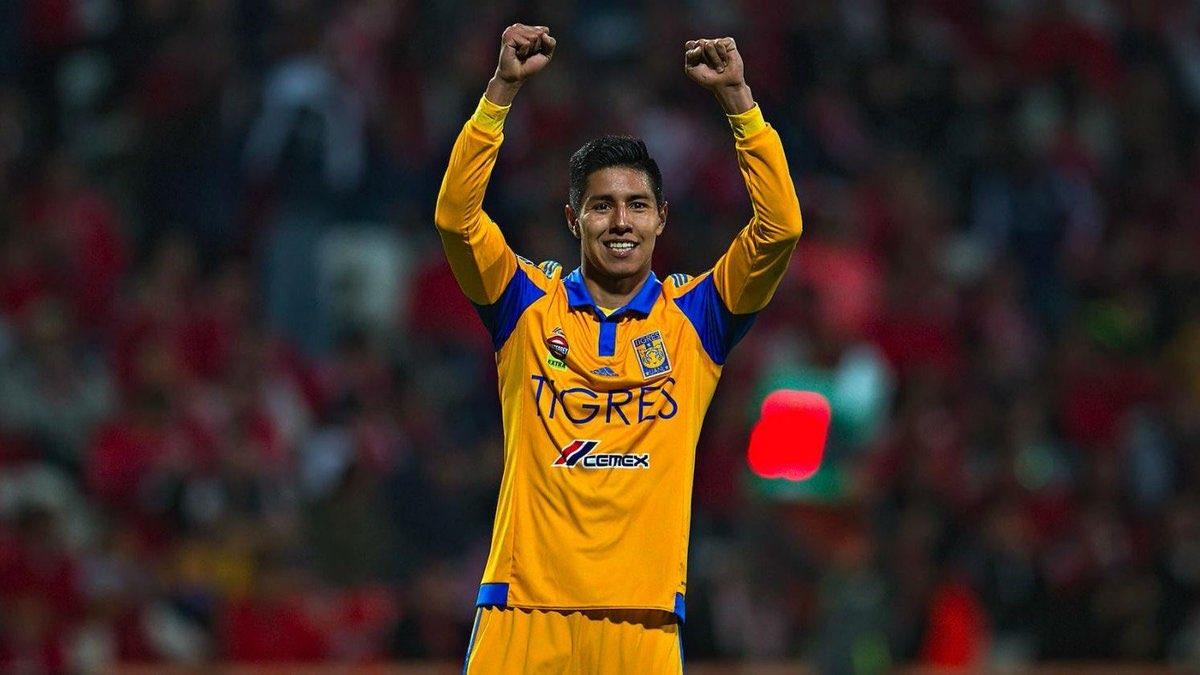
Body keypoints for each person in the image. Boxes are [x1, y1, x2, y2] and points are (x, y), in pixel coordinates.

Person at [434, 23, 803, 673]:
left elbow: (779, 230)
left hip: (643, 618)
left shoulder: (696, 319)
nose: (621, 221)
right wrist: (499, 96)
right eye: (602, 206)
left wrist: (740, 103)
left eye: (637, 205)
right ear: (573, 219)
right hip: (522, 608)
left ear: (662, 217)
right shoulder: (526, 305)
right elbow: (456, 220)